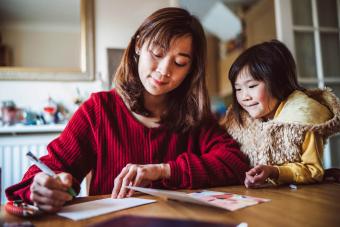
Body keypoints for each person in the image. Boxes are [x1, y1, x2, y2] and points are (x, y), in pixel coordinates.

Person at [6, 7, 249, 212]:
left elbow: (235, 163)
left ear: (191, 70)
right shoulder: (99, 110)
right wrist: (40, 186)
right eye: (157, 53)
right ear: (139, 45)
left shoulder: (195, 117)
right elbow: (45, 170)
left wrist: (164, 170)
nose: (164, 70)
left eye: (180, 63)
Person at [223, 40, 340, 188]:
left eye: (252, 86)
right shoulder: (240, 121)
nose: (244, 96)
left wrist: (275, 171)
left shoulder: (302, 119)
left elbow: (313, 170)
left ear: (278, 81)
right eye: (238, 89)